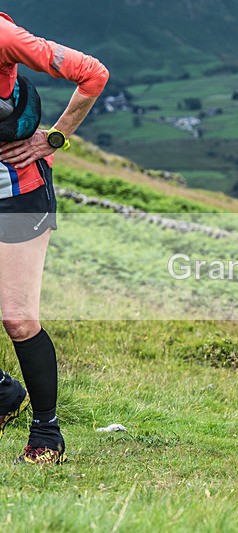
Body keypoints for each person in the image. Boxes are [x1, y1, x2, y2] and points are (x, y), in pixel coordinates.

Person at [0, 13, 109, 464]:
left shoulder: (4, 36)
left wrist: (56, 137)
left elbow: (93, 73)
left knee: (18, 318)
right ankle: (4, 394)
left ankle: (47, 433)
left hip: (18, 193)